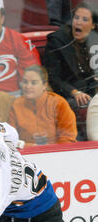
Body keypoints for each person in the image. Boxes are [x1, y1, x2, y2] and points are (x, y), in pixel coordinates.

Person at [43, 1, 98, 140]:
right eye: (76, 18)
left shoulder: (95, 40)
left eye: (84, 19)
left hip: (92, 91)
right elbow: (53, 77)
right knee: (79, 104)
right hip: (68, 94)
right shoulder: (57, 41)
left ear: (93, 26)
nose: (78, 23)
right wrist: (74, 92)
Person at [7, 65, 77, 145]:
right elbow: (10, 139)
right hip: (25, 154)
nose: (28, 86)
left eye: (34, 83)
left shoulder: (59, 103)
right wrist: (31, 147)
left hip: (56, 154)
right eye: (25, 82)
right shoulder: (16, 105)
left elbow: (68, 139)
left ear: (44, 85)